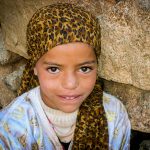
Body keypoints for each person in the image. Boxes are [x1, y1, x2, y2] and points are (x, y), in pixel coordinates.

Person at [0, 3, 131, 150]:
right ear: (34, 67)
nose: (70, 84)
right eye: (54, 69)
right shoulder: (10, 126)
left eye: (85, 68)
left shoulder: (114, 115)